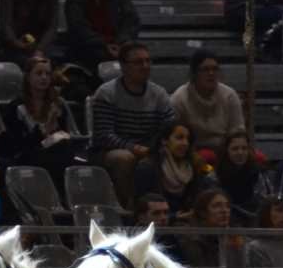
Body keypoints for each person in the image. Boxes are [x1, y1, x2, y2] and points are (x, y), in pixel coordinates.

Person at [88, 41, 175, 207]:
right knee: (124, 158)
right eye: (138, 62)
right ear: (123, 66)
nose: (145, 66)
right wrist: (133, 148)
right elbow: (104, 135)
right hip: (109, 151)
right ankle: (127, 208)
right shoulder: (106, 93)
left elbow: (168, 129)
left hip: (149, 148)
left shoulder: (159, 94)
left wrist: (154, 148)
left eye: (148, 61)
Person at [0, 53, 77, 187]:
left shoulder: (57, 104)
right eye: (39, 73)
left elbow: (65, 135)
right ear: (28, 77)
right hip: (25, 155)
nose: (44, 77)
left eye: (47, 74)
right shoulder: (16, 107)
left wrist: (55, 132)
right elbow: (14, 146)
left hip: (53, 153)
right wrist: (43, 131)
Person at [169, 50, 244, 162]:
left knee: (257, 159)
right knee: (206, 157)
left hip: (227, 154)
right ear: (194, 74)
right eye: (205, 69)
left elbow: (237, 131)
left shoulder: (229, 95)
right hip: (192, 155)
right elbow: (175, 138)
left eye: (215, 69)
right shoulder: (179, 99)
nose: (211, 73)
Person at [133, 121, 210, 213]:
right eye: (179, 138)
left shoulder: (194, 164)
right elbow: (142, 207)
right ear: (164, 140)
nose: (185, 143)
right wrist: (173, 217)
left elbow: (211, 179)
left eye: (188, 139)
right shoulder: (147, 167)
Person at [213, 130, 273, 215]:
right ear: (226, 151)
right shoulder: (215, 177)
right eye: (235, 149)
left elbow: (266, 203)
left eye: (244, 148)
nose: (240, 152)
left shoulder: (258, 174)